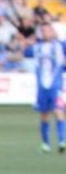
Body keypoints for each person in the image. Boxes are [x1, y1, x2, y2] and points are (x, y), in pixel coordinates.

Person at [29, 22, 66, 153]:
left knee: (59, 111)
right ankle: (45, 144)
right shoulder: (37, 47)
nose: (45, 33)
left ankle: (62, 141)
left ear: (52, 32)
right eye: (43, 31)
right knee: (44, 114)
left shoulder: (60, 45)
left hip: (56, 85)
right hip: (42, 86)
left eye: (47, 30)